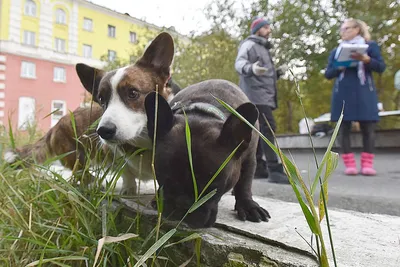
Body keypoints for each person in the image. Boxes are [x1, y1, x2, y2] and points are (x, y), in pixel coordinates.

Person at [325, 18, 386, 176]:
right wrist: (341, 65)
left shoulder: (370, 46)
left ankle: (367, 164)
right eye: (342, 29)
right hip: (343, 93)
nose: (343, 32)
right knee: (343, 128)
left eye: (346, 28)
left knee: (368, 127)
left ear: (357, 29)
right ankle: (349, 164)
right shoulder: (337, 50)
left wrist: (366, 60)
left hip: (365, 92)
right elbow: (328, 73)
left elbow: (381, 67)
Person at [234, 17, 289, 184]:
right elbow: (240, 63)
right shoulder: (249, 44)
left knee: (256, 130)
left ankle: (258, 168)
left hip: (263, 95)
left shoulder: (264, 49)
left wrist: (277, 73)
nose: (269, 30)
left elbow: (264, 74)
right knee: (268, 128)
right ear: (257, 29)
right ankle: (274, 169)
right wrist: (251, 68)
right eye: (266, 28)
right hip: (254, 95)